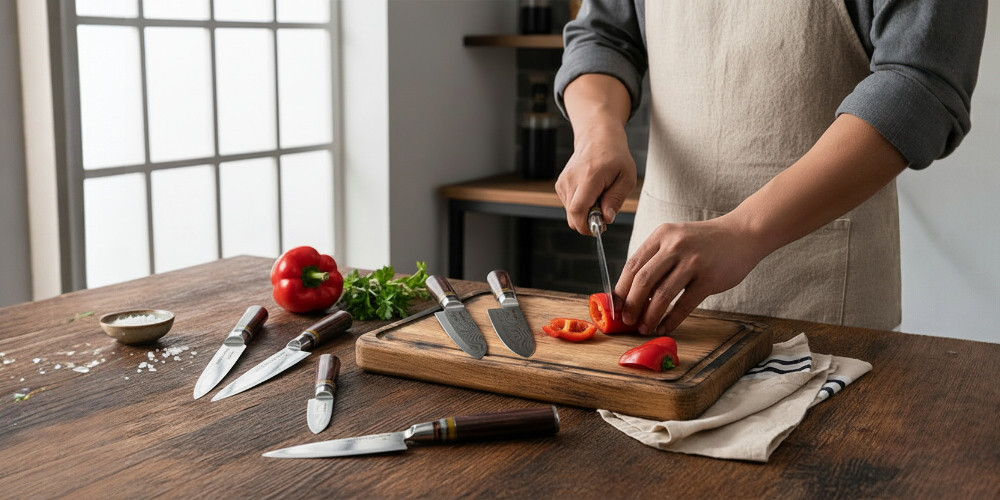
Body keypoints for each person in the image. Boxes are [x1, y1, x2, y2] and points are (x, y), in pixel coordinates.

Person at [553, 1, 987, 335]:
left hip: (821, 307)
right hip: (660, 295)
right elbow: (603, 36)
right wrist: (596, 131)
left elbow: (921, 85)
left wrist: (745, 230)